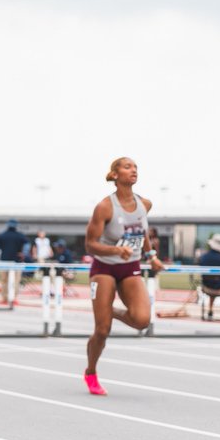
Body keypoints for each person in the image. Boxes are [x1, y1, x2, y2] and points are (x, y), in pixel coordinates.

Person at [82, 157, 163, 396]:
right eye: (127, 167)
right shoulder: (105, 207)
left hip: (130, 267)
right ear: (115, 175)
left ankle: (111, 311)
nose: (133, 170)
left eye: (136, 167)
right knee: (102, 330)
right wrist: (115, 250)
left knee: (141, 320)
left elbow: (142, 231)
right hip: (104, 268)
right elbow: (90, 245)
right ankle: (91, 372)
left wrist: (151, 255)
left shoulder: (145, 204)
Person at [197, 233, 220, 320]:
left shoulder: (203, 258)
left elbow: (201, 273)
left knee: (213, 283)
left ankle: (210, 309)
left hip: (207, 288)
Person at [0, 218, 28, 301]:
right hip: (16, 261)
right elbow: (27, 244)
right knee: (16, 281)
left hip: (4, 261)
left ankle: (4, 297)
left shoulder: (3, 235)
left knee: (4, 280)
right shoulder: (20, 235)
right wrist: (23, 253)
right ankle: (14, 297)